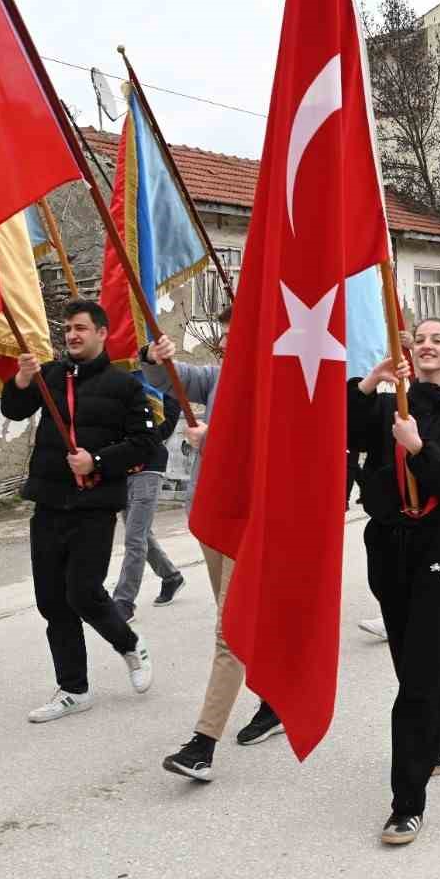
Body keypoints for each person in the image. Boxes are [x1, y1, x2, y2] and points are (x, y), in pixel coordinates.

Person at [349, 319, 440, 847]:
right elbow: (344, 434)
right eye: (420, 340)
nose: (427, 346)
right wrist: (370, 382)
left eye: (438, 340)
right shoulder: (389, 405)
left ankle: (406, 804)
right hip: (388, 545)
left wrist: (417, 448)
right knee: (410, 659)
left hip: (437, 547)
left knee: (420, 680)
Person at [3, 299, 157, 723]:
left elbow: (146, 443)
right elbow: (13, 409)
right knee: (52, 600)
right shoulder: (50, 375)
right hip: (49, 503)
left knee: (83, 592)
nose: (72, 335)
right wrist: (21, 378)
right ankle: (73, 688)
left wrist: (99, 461)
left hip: (94, 507)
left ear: (102, 333)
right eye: (68, 328)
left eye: (81, 328)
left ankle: (129, 645)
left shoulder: (125, 385)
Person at [148, 310, 285, 783]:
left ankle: (202, 744)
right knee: (245, 621)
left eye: (237, 331)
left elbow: (267, 453)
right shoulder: (220, 376)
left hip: (253, 523)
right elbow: (176, 379)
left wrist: (213, 443)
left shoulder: (278, 383)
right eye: (227, 333)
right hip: (214, 518)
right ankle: (274, 701)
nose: (229, 340)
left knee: (230, 629)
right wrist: (157, 357)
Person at [111, 391, 185, 623]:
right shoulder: (115, 376)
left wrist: (149, 438)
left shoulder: (151, 376)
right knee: (141, 534)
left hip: (149, 465)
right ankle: (171, 576)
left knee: (135, 538)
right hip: (123, 466)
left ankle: (123, 601)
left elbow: (172, 404)